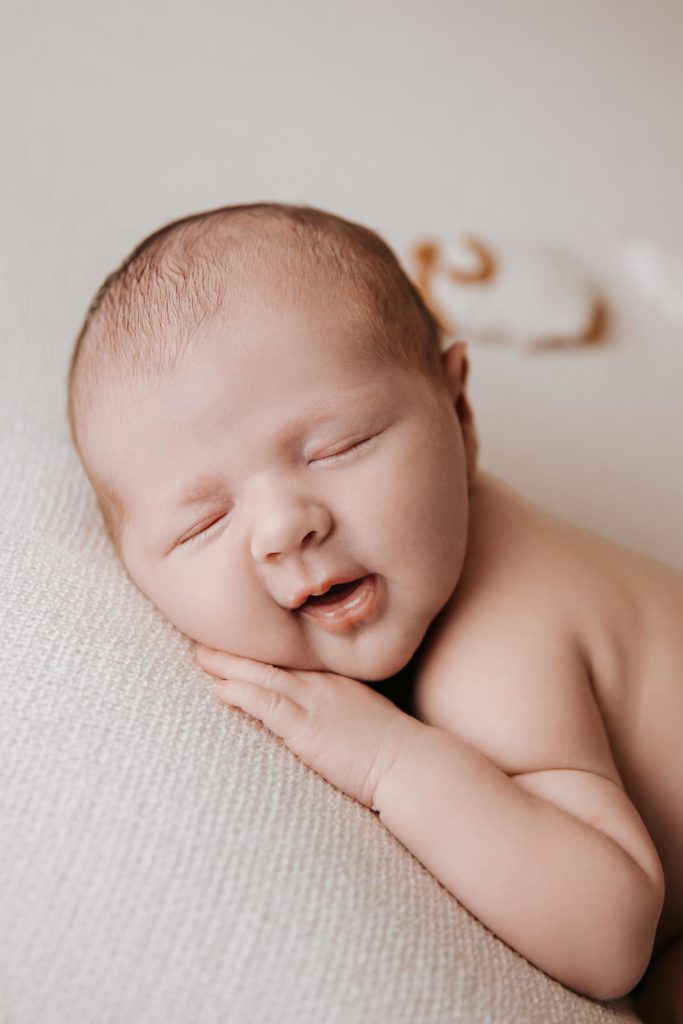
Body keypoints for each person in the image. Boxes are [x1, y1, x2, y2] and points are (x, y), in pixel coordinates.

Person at [66, 202, 683, 1022]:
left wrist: (387, 763)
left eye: (336, 448)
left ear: (458, 417)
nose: (286, 527)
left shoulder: (499, 636)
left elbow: (606, 935)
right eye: (203, 522)